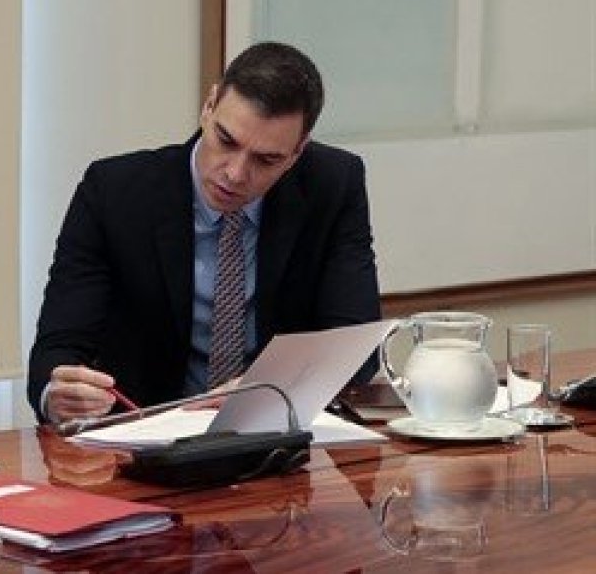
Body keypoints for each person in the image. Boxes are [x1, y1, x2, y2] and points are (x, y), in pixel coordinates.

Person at [28, 42, 381, 424]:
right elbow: (57, 350)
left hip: (272, 436)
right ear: (209, 106)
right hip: (140, 441)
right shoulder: (114, 193)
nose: (235, 173)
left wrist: (261, 391)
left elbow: (354, 347)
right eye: (226, 140)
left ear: (298, 151)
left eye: (267, 160)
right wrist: (58, 395)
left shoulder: (333, 185)